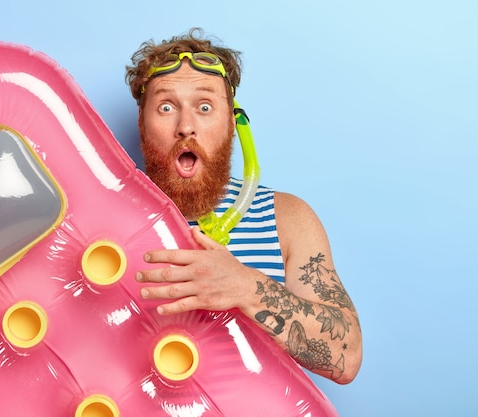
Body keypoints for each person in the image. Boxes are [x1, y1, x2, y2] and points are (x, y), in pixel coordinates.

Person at [125, 28, 362, 384]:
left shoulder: (286, 218)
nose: (186, 126)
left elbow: (347, 358)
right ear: (143, 124)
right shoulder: (103, 213)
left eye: (205, 107)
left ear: (233, 124)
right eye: (166, 107)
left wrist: (244, 286)